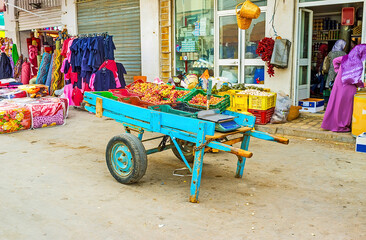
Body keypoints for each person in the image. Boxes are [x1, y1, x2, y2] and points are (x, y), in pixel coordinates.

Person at [321, 44, 366, 132]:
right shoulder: (356, 63)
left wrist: (337, 71)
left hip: (338, 84)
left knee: (336, 105)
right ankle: (342, 126)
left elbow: (335, 60)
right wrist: (362, 85)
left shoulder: (345, 57)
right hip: (348, 87)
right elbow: (354, 80)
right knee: (345, 108)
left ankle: (331, 124)